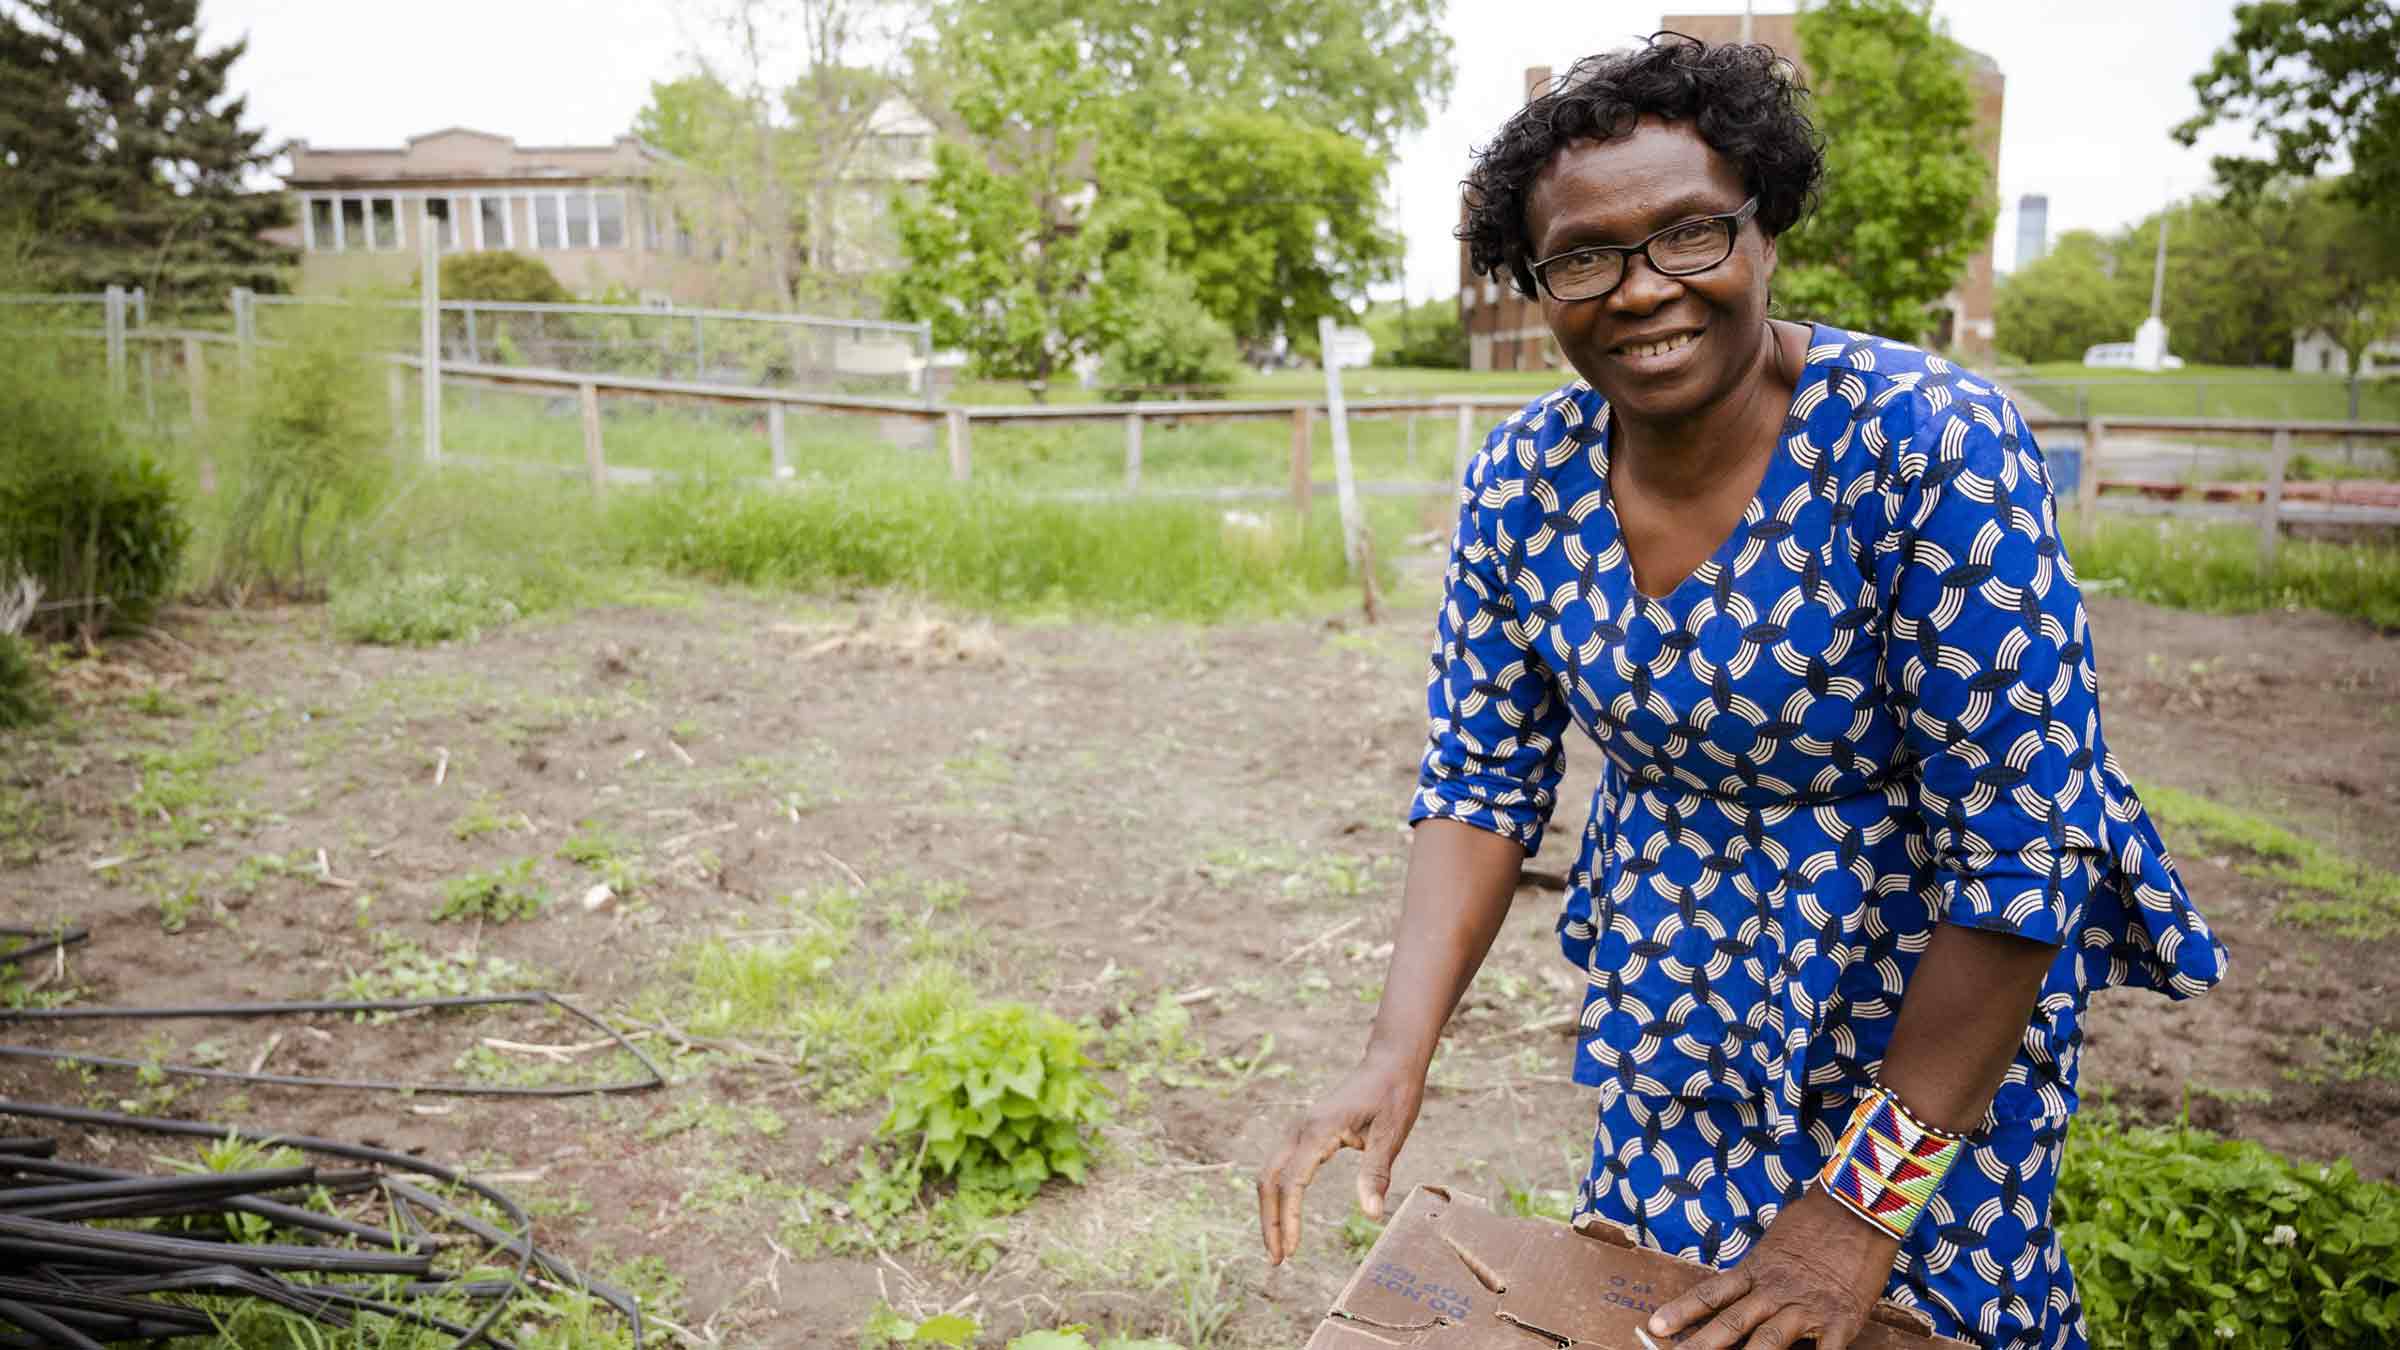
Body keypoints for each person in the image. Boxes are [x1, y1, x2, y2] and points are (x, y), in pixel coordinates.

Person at [1254, 34, 2226, 1350]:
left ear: (1765, 230)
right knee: (1653, 1315)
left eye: (1692, 235)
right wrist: (1395, 1047)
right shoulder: (1520, 486)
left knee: (1904, 1323)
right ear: (1539, 282)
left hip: (1928, 1012)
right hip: (1675, 995)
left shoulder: (1930, 448)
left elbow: (2020, 852)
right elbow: (1482, 782)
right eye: (1586, 257)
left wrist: (1860, 1203)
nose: (1643, 288)